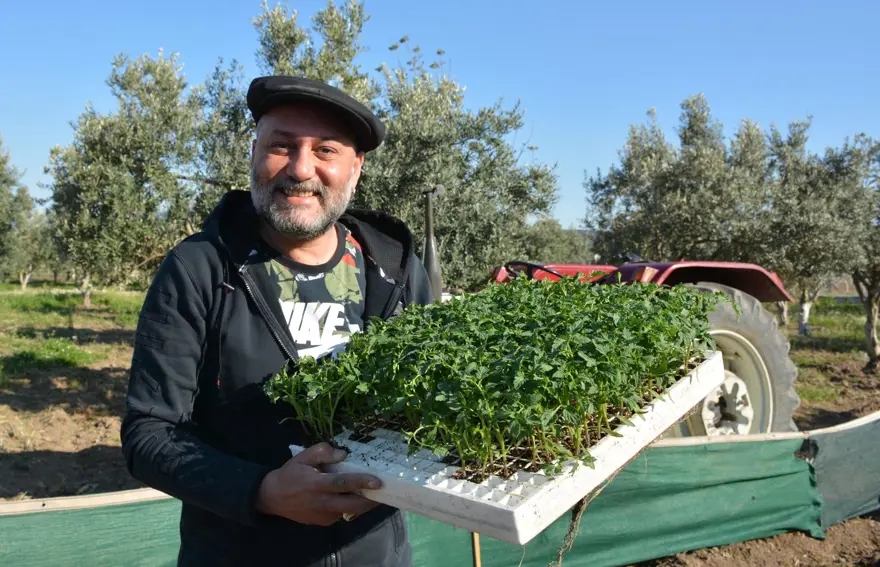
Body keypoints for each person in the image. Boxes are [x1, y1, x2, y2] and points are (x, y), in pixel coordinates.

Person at [121, 75, 434, 567]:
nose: (301, 168)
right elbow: (149, 434)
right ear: (254, 154)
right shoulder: (200, 270)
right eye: (281, 146)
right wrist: (262, 491)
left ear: (356, 167)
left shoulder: (395, 270)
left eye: (326, 150)